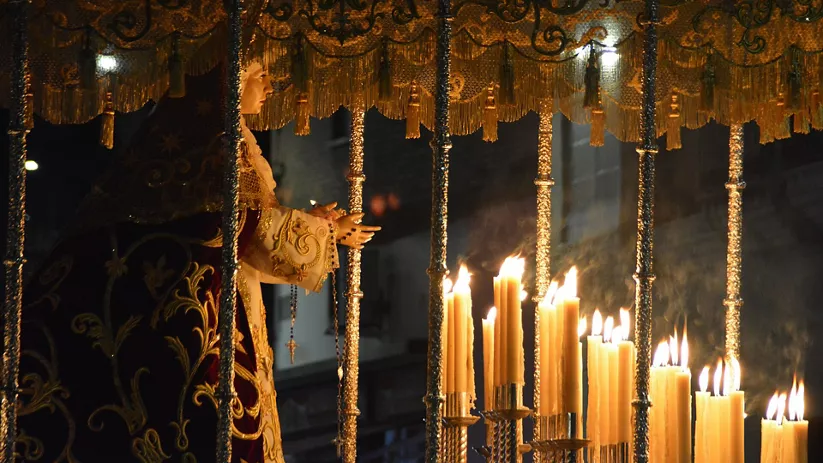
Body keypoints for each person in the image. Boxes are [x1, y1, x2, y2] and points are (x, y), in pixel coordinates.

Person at [15, 62, 379, 462]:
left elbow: (243, 234)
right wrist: (327, 232)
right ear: (227, 84)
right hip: (203, 319)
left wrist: (317, 225)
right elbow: (237, 227)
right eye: (258, 75)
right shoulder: (216, 143)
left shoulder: (228, 143)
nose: (270, 85)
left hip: (228, 301)